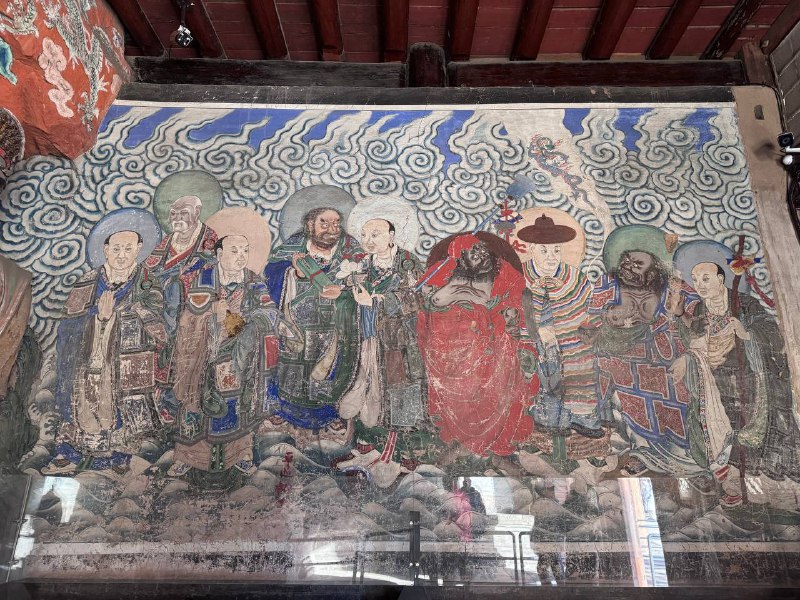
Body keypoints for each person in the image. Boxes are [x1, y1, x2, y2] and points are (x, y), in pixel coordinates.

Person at [168, 235, 301, 478]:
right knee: (197, 404)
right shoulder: (205, 279)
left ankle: (241, 455)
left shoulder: (252, 280)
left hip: (242, 354)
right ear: (219, 255)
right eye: (234, 251)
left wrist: (254, 322)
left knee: (239, 405)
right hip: (204, 354)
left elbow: (268, 309)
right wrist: (213, 313)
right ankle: (188, 457)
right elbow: (191, 316)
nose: (241, 257)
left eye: (245, 251)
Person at [45, 230, 167, 477]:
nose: (122, 255)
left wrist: (118, 316)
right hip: (89, 355)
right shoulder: (88, 281)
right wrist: (97, 317)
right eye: (116, 249)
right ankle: (71, 452)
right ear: (106, 250)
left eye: (128, 249)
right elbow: (68, 323)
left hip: (125, 357)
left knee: (119, 400)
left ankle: (119, 456)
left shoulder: (147, 283)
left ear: (138, 250)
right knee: (82, 398)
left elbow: (158, 322)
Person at [417, 233, 538, 464]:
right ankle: (458, 442)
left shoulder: (503, 276)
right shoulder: (442, 273)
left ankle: (491, 446)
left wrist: (508, 318)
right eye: (472, 251)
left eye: (483, 251)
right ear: (460, 256)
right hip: (444, 350)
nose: (479, 255)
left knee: (502, 368)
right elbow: (423, 314)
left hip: (486, 349)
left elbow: (515, 306)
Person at [587, 249, 702, 477]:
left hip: (662, 353)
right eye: (625, 261)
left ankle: (674, 455)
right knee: (618, 383)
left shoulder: (673, 286)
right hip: (619, 352)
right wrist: (610, 318)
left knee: (672, 388)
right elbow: (591, 320)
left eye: (637, 264)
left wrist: (679, 314)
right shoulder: (608, 283)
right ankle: (636, 450)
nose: (628, 266)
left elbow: (697, 322)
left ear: (653, 270)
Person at [688, 262, 800, 483]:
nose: (699, 285)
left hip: (751, 374)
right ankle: (740, 465)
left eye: (705, 279)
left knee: (758, 419)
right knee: (731, 421)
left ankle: (772, 465)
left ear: (721, 280)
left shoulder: (745, 303)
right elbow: (695, 337)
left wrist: (746, 332)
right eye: (695, 280)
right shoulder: (700, 309)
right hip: (719, 376)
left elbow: (771, 330)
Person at [263, 207, 363, 441]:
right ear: (310, 225)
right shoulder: (294, 246)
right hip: (297, 324)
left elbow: (364, 277)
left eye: (336, 223)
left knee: (329, 368)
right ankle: (286, 412)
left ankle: (328, 414)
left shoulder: (350, 248)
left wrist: (344, 290)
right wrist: (293, 273)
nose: (331, 229)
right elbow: (271, 271)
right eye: (324, 223)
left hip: (335, 324)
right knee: (292, 366)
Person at [517, 214, 602, 438]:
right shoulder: (519, 276)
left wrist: (582, 330)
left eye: (556, 250)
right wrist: (539, 333)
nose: (551, 257)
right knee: (542, 360)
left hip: (570, 338)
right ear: (531, 249)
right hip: (530, 339)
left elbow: (589, 311)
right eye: (544, 250)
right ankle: (543, 418)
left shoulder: (575, 278)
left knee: (580, 358)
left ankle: (577, 416)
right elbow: (513, 315)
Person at [143, 195, 218, 423]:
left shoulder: (208, 239)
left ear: (196, 214)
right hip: (163, 304)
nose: (177, 218)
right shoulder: (168, 241)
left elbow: (209, 271)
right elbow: (149, 270)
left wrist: (176, 280)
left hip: (194, 306)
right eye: (173, 214)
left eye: (183, 213)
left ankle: (175, 400)